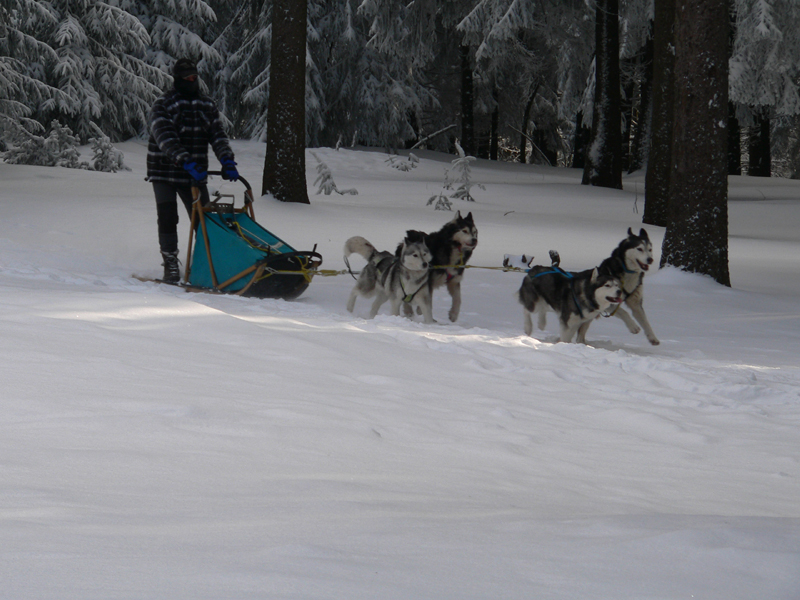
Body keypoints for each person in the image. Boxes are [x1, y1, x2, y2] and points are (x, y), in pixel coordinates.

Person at [146, 58, 240, 282]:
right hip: (164, 171)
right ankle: (170, 261)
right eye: (187, 78)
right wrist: (185, 161)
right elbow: (164, 137)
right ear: (178, 79)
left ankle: (207, 261)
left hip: (194, 173)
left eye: (194, 77)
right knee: (168, 217)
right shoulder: (163, 104)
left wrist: (227, 160)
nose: (192, 81)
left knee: (204, 219)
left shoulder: (206, 105)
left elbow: (217, 135)